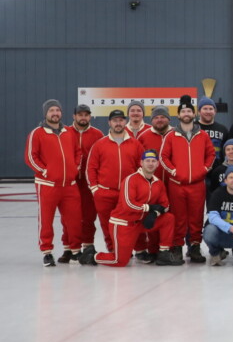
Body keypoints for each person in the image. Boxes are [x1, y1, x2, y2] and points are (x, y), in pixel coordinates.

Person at [26, 99, 83, 267]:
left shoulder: (69, 132)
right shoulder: (37, 133)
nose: (55, 113)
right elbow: (31, 157)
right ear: (46, 114)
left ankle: (74, 250)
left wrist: (75, 168)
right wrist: (45, 171)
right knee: (46, 220)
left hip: (70, 185)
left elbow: (78, 152)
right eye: (51, 110)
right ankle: (47, 252)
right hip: (48, 186)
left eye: (57, 110)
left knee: (73, 219)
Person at [96, 150, 175, 268]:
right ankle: (92, 256)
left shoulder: (158, 183)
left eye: (153, 161)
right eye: (147, 161)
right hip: (124, 223)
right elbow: (129, 204)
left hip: (141, 222)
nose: (150, 164)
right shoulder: (131, 180)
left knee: (168, 218)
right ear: (141, 163)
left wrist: (155, 214)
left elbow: (165, 205)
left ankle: (164, 253)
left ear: (158, 164)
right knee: (121, 261)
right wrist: (150, 208)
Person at [162, 96, 217, 263]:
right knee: (178, 218)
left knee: (196, 218)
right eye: (183, 111)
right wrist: (174, 172)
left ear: (194, 114)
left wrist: (204, 169)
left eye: (189, 111)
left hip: (197, 184)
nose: (186, 114)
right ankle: (177, 247)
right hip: (177, 184)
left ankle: (195, 247)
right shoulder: (171, 135)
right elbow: (163, 157)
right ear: (178, 115)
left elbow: (211, 154)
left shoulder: (202, 135)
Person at [86, 109, 144, 262]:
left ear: (125, 122)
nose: (118, 123)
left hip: (127, 193)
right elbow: (91, 168)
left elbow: (142, 167)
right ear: (109, 123)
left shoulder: (135, 144)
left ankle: (139, 249)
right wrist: (95, 189)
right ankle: (113, 249)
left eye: (121, 120)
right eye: (115, 120)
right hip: (105, 193)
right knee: (107, 224)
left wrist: (137, 189)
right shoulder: (100, 144)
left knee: (133, 220)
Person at [63, 103, 103, 261]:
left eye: (86, 115)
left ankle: (87, 246)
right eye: (80, 115)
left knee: (88, 216)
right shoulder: (65, 133)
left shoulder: (97, 134)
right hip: (70, 181)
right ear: (74, 116)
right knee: (68, 217)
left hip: (88, 182)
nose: (83, 117)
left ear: (90, 116)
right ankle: (68, 248)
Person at [140, 107, 174, 178]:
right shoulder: (143, 136)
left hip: (174, 182)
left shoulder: (177, 134)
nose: (159, 120)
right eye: (156, 118)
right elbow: (138, 161)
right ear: (152, 120)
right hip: (152, 183)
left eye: (163, 117)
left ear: (169, 119)